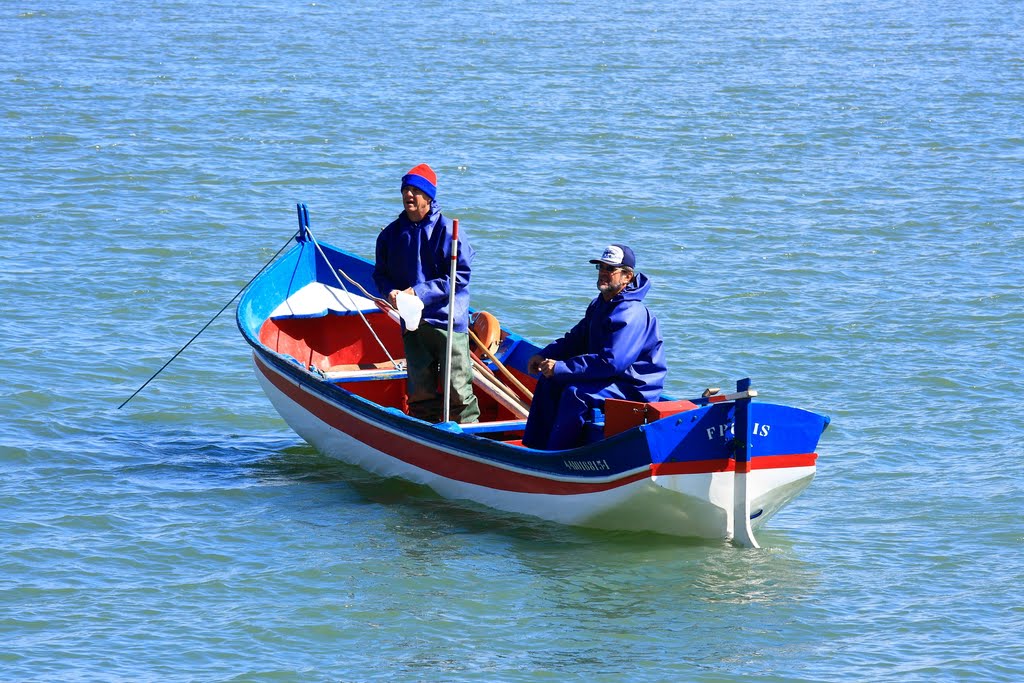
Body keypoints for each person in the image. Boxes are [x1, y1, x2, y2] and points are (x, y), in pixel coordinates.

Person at [522, 244, 666, 450]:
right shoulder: (600, 304)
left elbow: (611, 363)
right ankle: (536, 449)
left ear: (627, 277)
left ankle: (559, 455)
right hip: (610, 377)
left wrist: (561, 367)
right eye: (601, 268)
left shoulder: (630, 313)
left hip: (633, 386)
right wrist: (545, 355)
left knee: (576, 393)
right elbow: (575, 339)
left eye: (610, 269)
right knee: (549, 382)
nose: (603, 273)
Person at [372, 164, 481, 424]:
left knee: (458, 388)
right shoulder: (390, 235)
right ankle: (425, 430)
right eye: (406, 190)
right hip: (413, 321)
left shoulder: (448, 231)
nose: (409, 196)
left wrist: (419, 292)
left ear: (429, 198)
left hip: (447, 320)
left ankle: (470, 433)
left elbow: (460, 276)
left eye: (416, 191)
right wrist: (391, 292)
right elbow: (380, 275)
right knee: (420, 388)